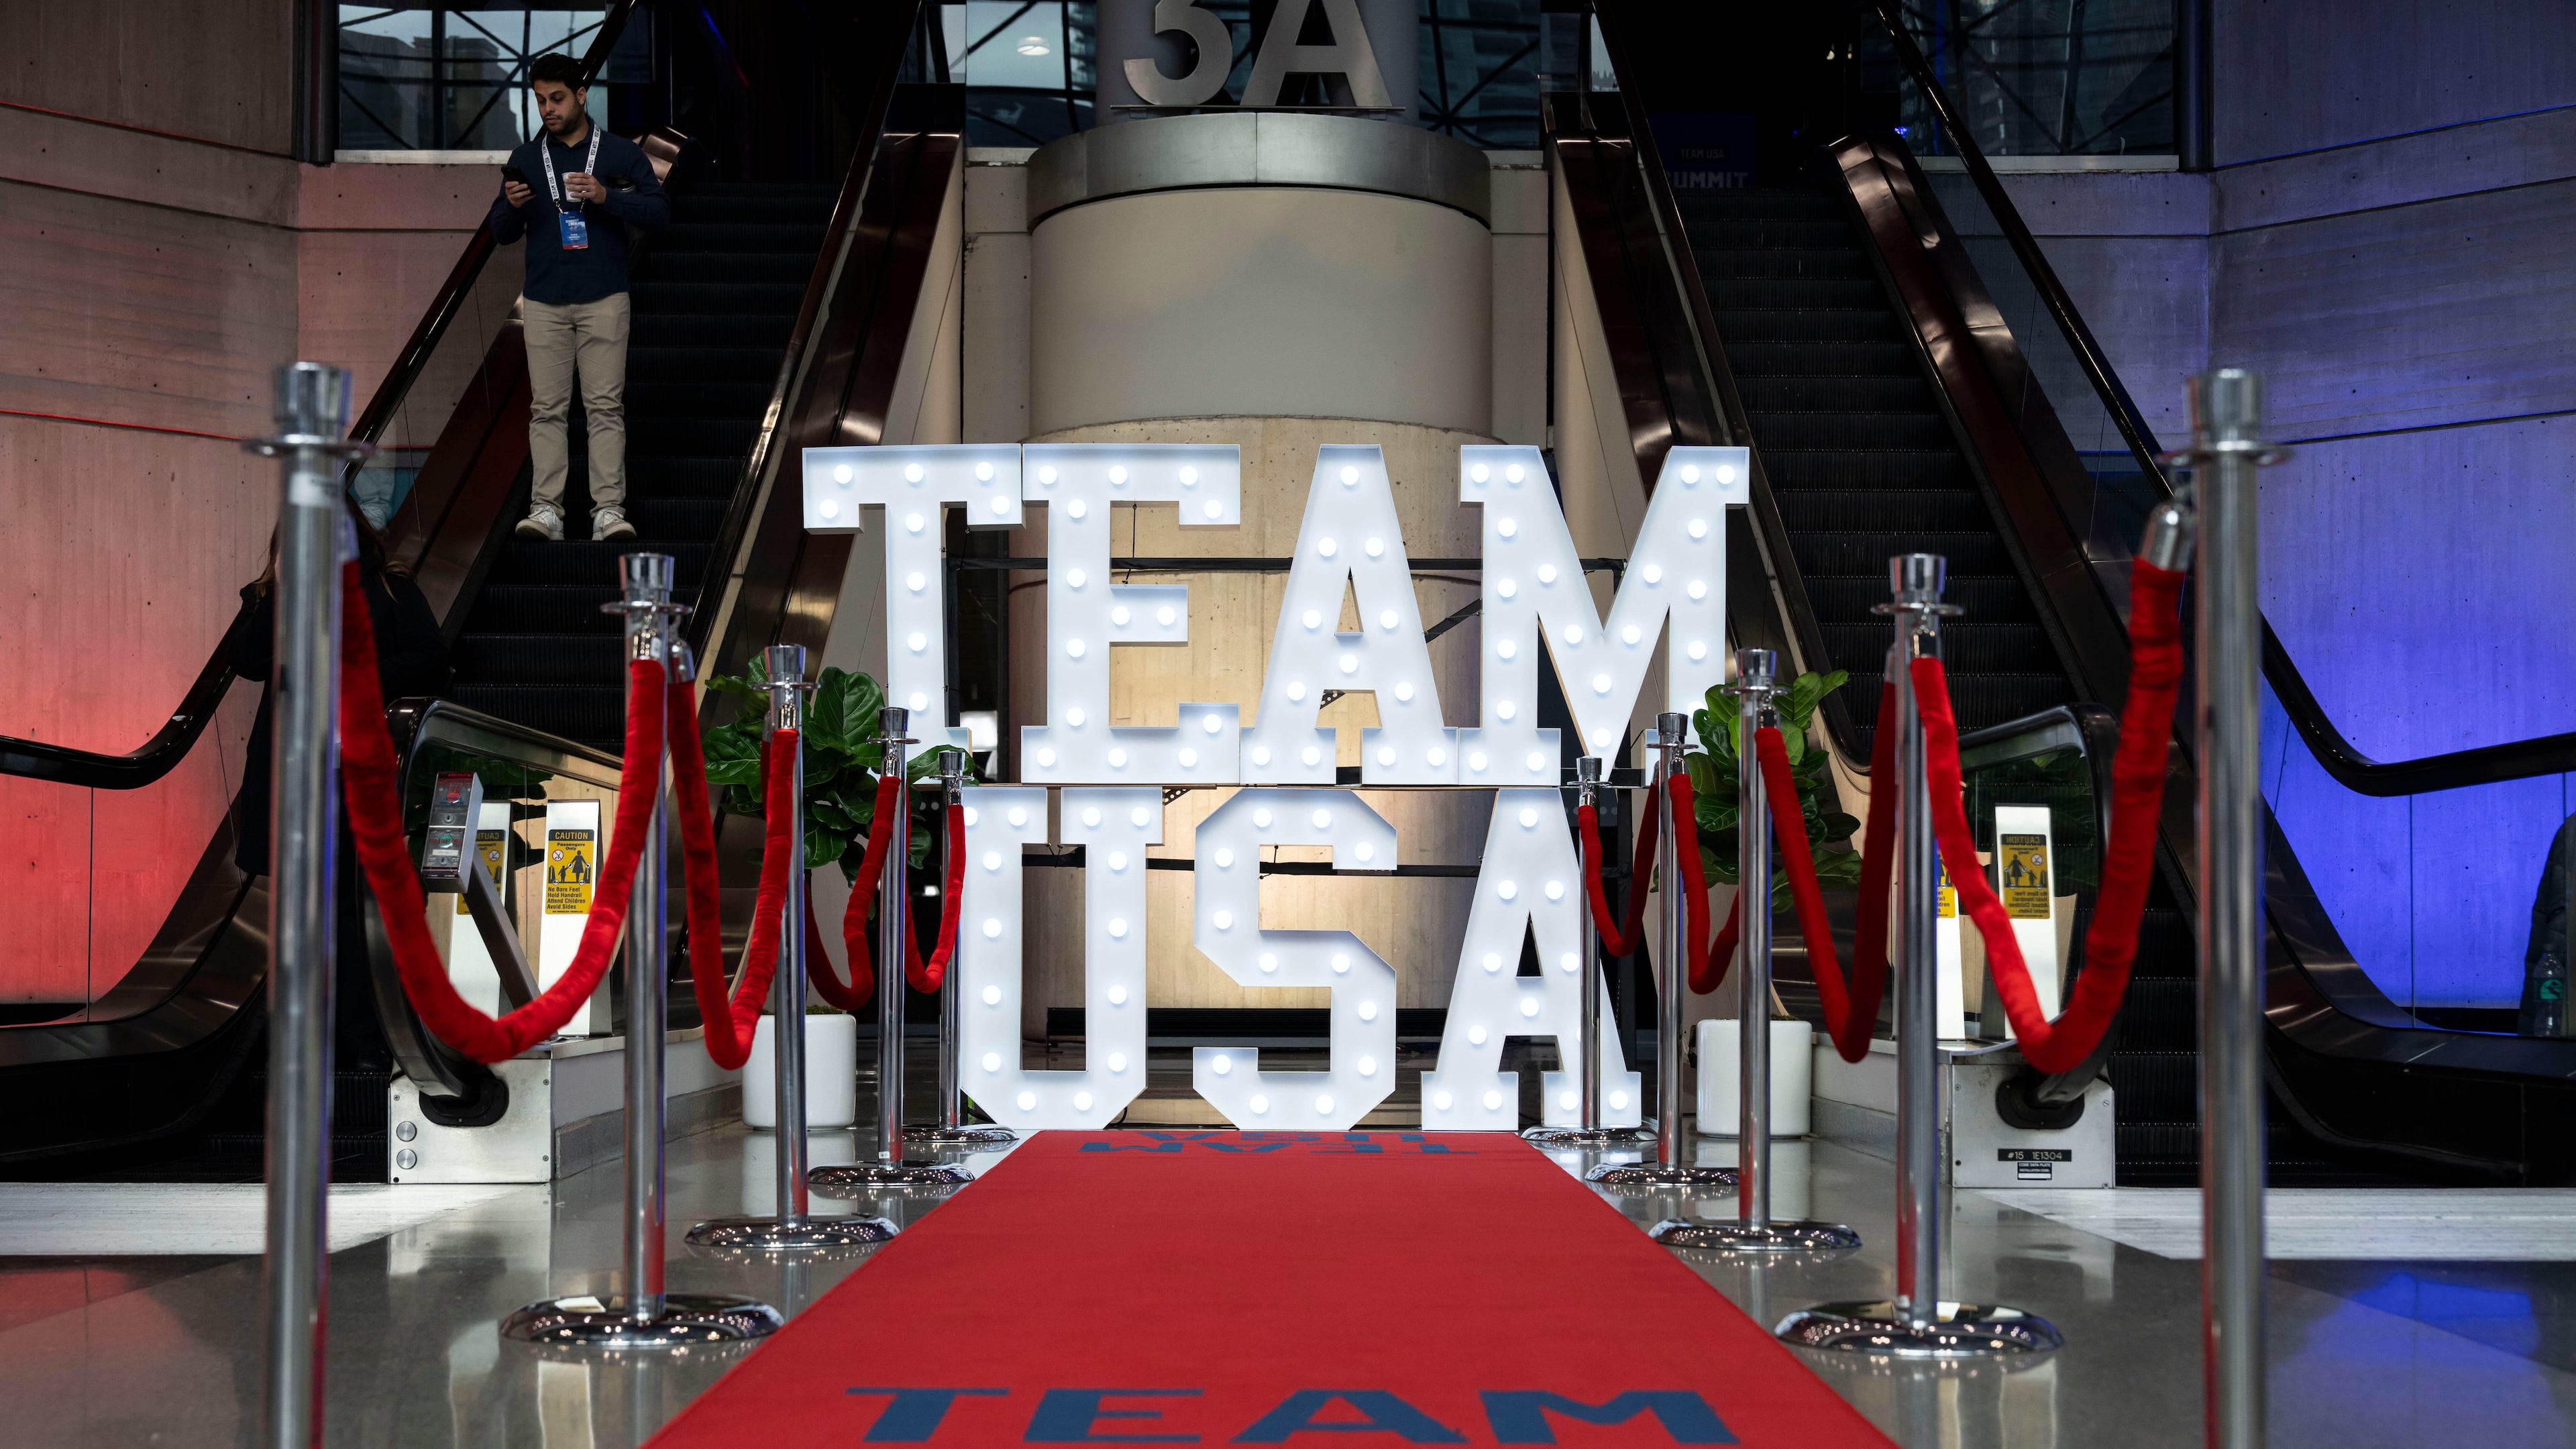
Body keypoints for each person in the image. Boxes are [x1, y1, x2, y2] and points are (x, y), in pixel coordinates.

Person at [487, 52, 668, 543]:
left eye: (558, 98)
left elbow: (659, 213)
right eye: (540, 100)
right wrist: (511, 206)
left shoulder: (618, 153)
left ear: (582, 96)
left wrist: (608, 197)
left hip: (604, 296)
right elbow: (501, 233)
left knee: (604, 407)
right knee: (546, 409)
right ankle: (547, 510)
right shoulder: (528, 158)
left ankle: (608, 511)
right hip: (543, 299)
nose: (548, 109)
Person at [231, 498, 449, 877]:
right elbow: (247, 661)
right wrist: (282, 588)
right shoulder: (267, 595)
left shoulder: (388, 585)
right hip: (291, 769)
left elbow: (430, 657)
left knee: (352, 883)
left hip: (361, 763)